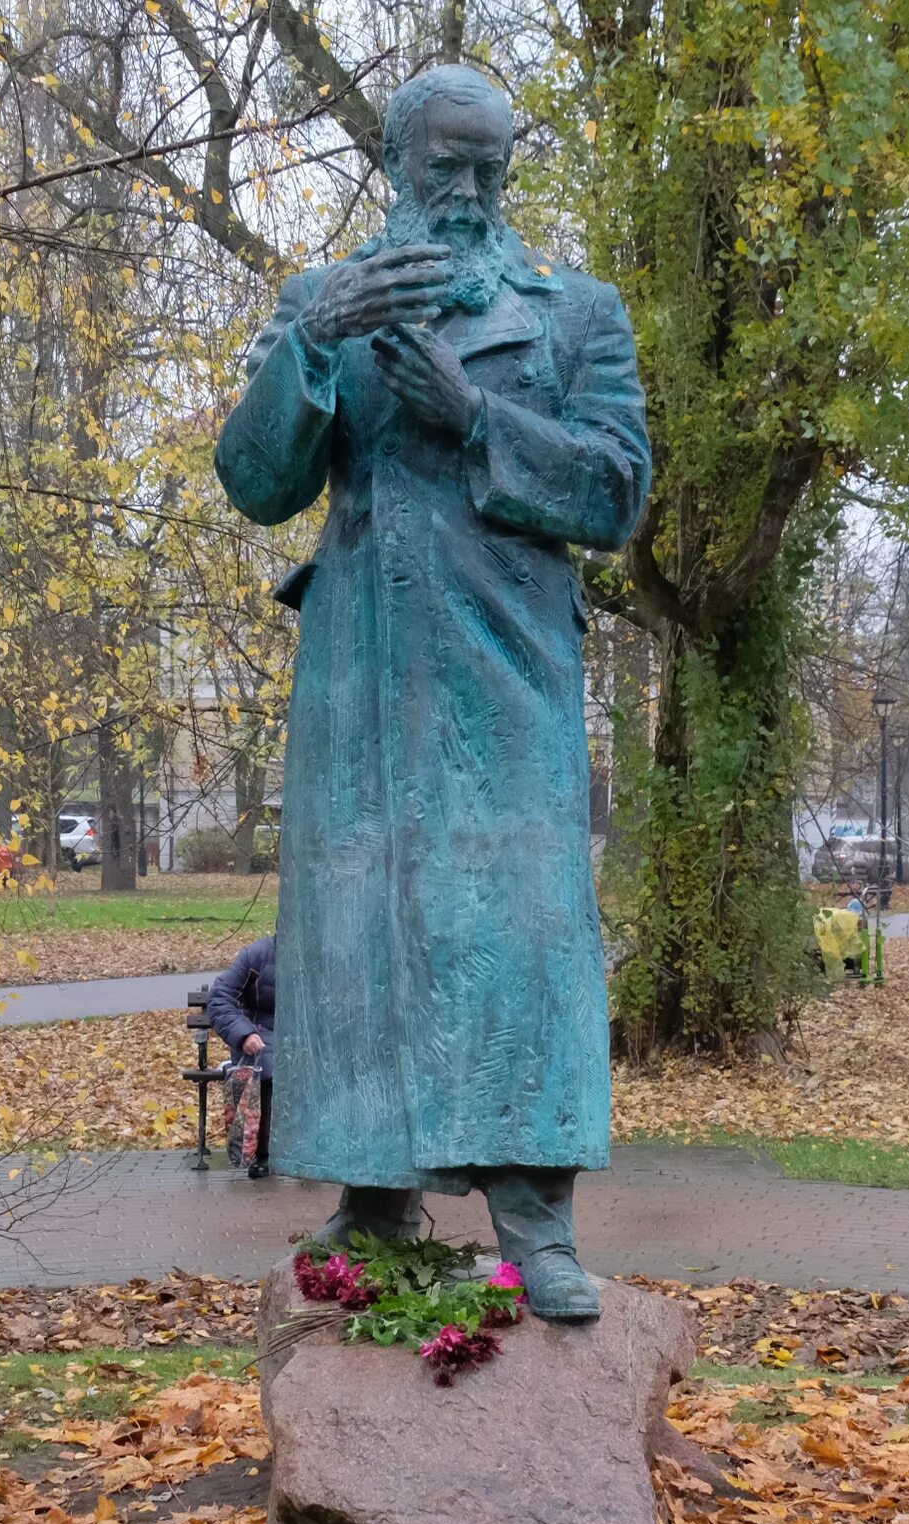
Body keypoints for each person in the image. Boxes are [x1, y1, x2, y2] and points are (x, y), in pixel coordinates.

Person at [215, 65, 651, 1322]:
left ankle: (537, 1217)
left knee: (522, 928)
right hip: (360, 672)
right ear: (395, 164)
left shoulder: (574, 314)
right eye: (443, 167)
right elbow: (254, 482)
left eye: (490, 167)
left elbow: (618, 491)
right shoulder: (326, 299)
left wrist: (474, 419)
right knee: (359, 926)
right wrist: (315, 337)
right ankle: (370, 1192)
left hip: (508, 669)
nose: (466, 191)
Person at [205, 935, 276, 1173]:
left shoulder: (324, 953)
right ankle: (261, 1153)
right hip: (260, 1034)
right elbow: (220, 998)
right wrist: (244, 1034)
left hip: (305, 1033)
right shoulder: (256, 955)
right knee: (269, 1063)